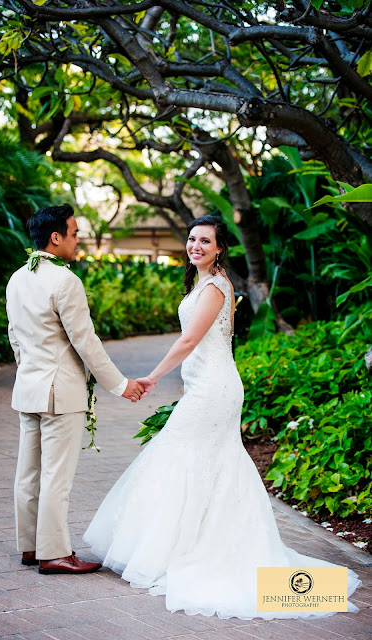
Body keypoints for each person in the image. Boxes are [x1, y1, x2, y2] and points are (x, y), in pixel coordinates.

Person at [83, 215, 361, 619]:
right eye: (192, 239)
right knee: (201, 461)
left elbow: (191, 340)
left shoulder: (214, 286)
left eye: (205, 241)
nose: (195, 246)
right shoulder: (203, 282)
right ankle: (183, 544)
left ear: (219, 248)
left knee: (180, 453)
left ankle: (190, 550)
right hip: (205, 386)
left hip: (215, 390)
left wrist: (152, 377)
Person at [6, 204, 144, 575]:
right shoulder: (66, 281)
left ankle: (31, 548)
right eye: (75, 232)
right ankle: (54, 553)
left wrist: (30, 371)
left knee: (29, 474)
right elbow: (86, 341)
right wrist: (121, 385)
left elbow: (15, 337)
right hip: (60, 393)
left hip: (29, 388)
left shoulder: (18, 278)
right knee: (56, 477)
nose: (78, 239)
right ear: (56, 238)